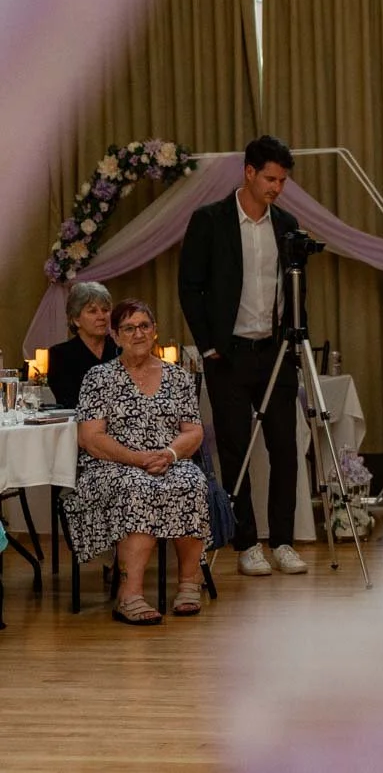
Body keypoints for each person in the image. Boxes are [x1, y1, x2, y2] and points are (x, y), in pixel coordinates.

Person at [178, 135, 307, 578]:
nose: (276, 187)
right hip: (227, 355)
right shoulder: (209, 221)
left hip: (274, 352)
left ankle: (284, 540)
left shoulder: (287, 224)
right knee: (235, 448)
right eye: (270, 178)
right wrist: (209, 345)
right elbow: (189, 287)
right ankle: (247, 541)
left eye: (282, 180)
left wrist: (293, 341)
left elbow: (293, 291)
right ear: (249, 172)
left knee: (285, 449)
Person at [64, 300, 209, 625]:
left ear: (155, 331)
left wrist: (169, 454)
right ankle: (128, 595)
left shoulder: (178, 377)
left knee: (191, 481)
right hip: (112, 465)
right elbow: (91, 438)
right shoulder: (98, 377)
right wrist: (139, 458)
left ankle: (189, 583)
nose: (138, 333)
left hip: (168, 460)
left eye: (144, 326)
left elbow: (194, 431)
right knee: (136, 486)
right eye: (129, 328)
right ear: (115, 336)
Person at [47, 281, 118, 409]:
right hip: (80, 425)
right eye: (92, 311)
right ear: (76, 320)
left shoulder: (121, 349)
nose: (101, 316)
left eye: (105, 310)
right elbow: (68, 399)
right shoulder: (60, 354)